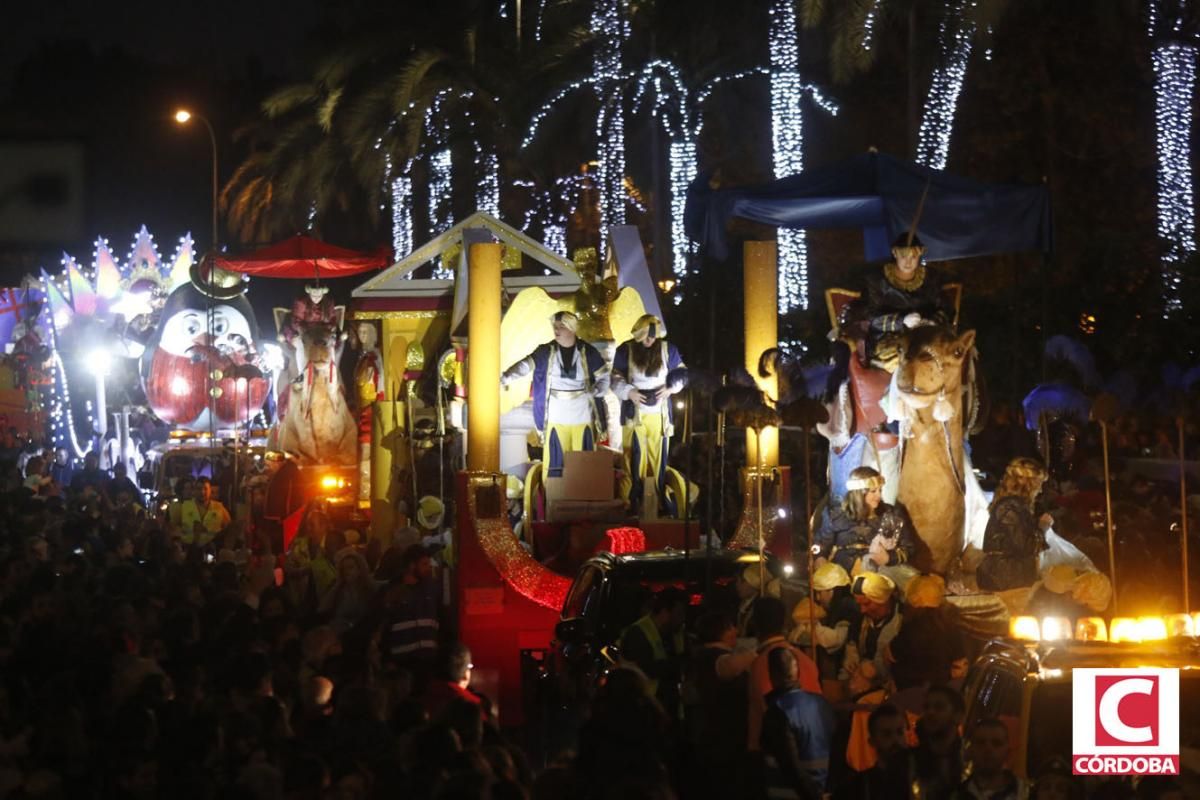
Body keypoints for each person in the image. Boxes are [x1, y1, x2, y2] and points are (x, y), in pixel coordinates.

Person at [500, 310, 610, 477]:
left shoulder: (588, 351)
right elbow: (525, 366)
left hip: (582, 412)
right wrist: (505, 378)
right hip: (556, 414)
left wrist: (596, 391)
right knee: (555, 460)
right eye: (555, 326)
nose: (556, 330)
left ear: (572, 329)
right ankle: (554, 494)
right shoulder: (545, 351)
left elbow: (605, 377)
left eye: (561, 326)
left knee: (583, 460)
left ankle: (584, 491)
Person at [610, 314, 688, 512]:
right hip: (633, 413)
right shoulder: (625, 350)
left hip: (659, 413)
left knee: (657, 457)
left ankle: (657, 503)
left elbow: (682, 373)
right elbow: (614, 377)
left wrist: (670, 388)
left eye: (653, 338)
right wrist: (629, 392)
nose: (649, 341)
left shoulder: (668, 350)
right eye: (646, 337)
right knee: (633, 458)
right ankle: (629, 504)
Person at [851, 231, 953, 372]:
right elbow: (870, 316)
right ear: (895, 254)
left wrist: (932, 322)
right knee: (906, 358)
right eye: (904, 256)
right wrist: (901, 321)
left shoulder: (931, 278)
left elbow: (946, 309)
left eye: (914, 256)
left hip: (926, 335)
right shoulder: (877, 280)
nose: (908, 262)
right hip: (888, 338)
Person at [687, 611, 754, 800]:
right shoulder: (713, 657)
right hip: (725, 738)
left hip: (715, 736)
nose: (736, 630)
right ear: (721, 631)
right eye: (732, 627)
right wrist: (757, 653)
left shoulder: (702, 656)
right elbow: (727, 667)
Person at [747, 597, 821, 755]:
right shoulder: (805, 660)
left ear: (755, 624)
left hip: (783, 753)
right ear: (784, 622)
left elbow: (761, 713)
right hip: (815, 744)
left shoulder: (762, 662)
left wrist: (754, 748)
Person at [761, 648, 835, 800]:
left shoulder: (778, 711)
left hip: (790, 794)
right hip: (823, 789)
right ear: (797, 672)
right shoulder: (822, 703)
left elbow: (790, 766)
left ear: (772, 675)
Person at [815, 467, 917, 576]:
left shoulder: (891, 514)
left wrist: (889, 558)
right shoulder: (835, 515)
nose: (879, 495)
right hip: (842, 577)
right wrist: (819, 557)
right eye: (873, 491)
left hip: (879, 576)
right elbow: (820, 546)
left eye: (880, 490)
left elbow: (909, 548)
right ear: (859, 494)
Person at [977, 458, 1051, 591]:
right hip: (1006, 578)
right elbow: (1023, 544)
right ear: (1028, 484)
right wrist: (1042, 527)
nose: (1040, 490)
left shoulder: (1014, 507)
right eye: (1039, 483)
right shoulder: (1009, 508)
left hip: (1008, 576)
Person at [888, 574, 967, 690]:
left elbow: (891, 655)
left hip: (910, 691)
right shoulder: (952, 625)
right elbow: (960, 666)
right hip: (939, 692)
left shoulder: (911, 626)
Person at [618, 587, 687, 717]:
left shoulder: (676, 633)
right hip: (646, 709)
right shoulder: (638, 634)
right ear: (665, 612)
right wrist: (678, 663)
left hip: (670, 707)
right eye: (679, 613)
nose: (682, 619)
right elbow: (644, 669)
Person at [382, 544, 441, 690]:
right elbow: (383, 625)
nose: (428, 568)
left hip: (427, 660)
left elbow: (440, 620)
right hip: (401, 662)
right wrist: (387, 659)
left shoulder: (431, 589)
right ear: (411, 565)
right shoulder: (393, 591)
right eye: (424, 564)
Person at [790, 562, 861, 681]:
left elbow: (836, 639)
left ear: (831, 591)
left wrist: (810, 627)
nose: (817, 598)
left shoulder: (847, 607)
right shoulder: (837, 606)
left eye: (819, 593)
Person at [834, 704, 911, 800]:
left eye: (900, 732)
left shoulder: (921, 778)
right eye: (886, 734)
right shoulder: (856, 788)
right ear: (872, 741)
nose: (896, 740)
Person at [842, 573, 902, 696]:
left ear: (883, 600)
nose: (862, 610)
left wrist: (876, 672)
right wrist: (851, 651)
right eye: (859, 604)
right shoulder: (860, 617)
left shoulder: (903, 621)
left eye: (867, 604)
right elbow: (852, 637)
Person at [910, 686, 967, 800]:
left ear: (958, 716)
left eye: (939, 707)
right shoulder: (906, 763)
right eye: (927, 707)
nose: (930, 712)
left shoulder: (972, 762)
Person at [953, 718, 1028, 799]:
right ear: (970, 750)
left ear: (1008, 752)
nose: (988, 749)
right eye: (980, 743)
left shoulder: (1026, 794)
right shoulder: (956, 794)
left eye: (996, 743)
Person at [179, 477, 231, 547]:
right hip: (189, 550)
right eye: (199, 489)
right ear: (194, 490)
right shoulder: (184, 507)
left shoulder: (219, 508)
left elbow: (230, 528)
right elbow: (174, 530)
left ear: (210, 490)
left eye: (205, 489)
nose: (202, 492)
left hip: (213, 549)